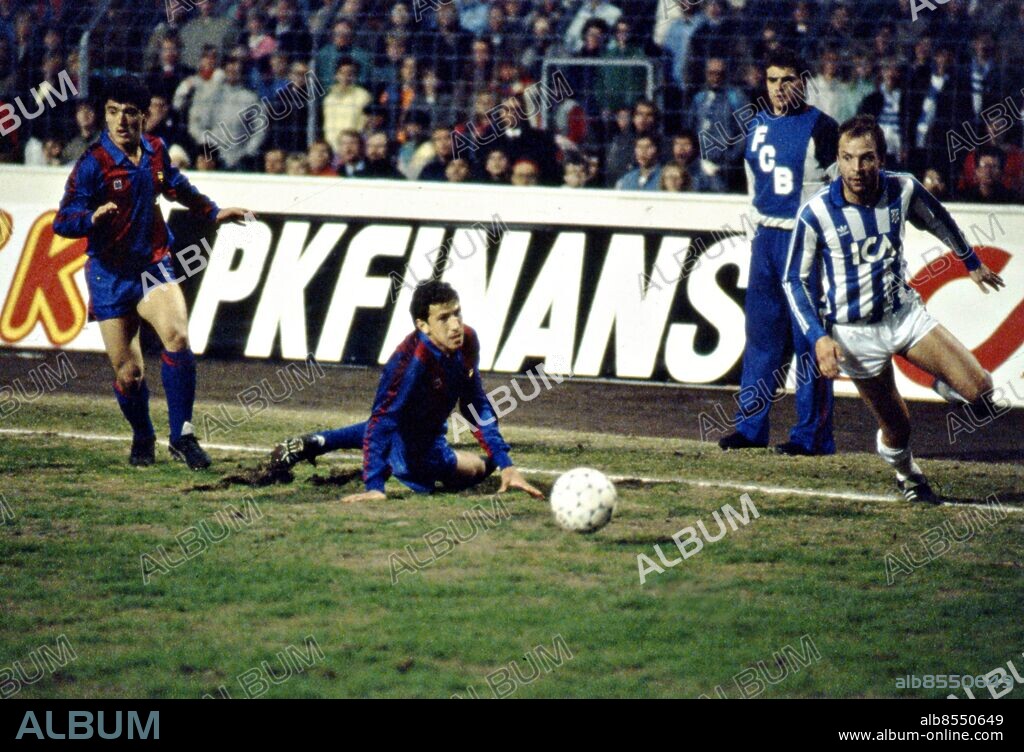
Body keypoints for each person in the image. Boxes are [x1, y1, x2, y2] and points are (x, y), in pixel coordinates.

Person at [784, 115, 1005, 503]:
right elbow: (794, 280)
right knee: (898, 427)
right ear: (837, 159)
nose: (856, 168)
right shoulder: (816, 213)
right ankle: (908, 475)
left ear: (881, 159)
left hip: (903, 316)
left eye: (866, 157)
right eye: (847, 158)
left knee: (981, 392)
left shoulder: (902, 189)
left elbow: (938, 219)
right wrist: (818, 337)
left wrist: (969, 261)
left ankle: (946, 382)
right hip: (853, 335)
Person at [53, 75, 252, 469]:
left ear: (144, 117)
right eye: (113, 112)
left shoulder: (155, 150)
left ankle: (182, 436)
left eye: (129, 113)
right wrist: (90, 218)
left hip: (153, 265)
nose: (120, 121)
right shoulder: (92, 164)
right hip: (110, 276)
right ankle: (143, 434)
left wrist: (212, 211)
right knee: (129, 375)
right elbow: (63, 220)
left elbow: (176, 185)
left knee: (177, 336)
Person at [268, 281, 544, 504]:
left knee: (486, 462)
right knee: (474, 471)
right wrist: (375, 486)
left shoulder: (468, 340)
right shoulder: (409, 362)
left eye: (457, 313)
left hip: (427, 432)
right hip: (416, 449)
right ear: (423, 326)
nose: (455, 325)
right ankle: (384, 462)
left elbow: (475, 404)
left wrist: (506, 464)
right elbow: (382, 421)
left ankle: (319, 442)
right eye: (444, 318)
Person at [718, 48, 838, 456]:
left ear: (802, 81)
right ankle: (750, 428)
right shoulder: (756, 124)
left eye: (788, 79)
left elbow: (839, 188)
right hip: (765, 240)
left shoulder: (823, 128)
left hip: (803, 241)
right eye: (772, 80)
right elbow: (754, 182)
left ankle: (812, 436)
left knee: (809, 341)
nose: (779, 88)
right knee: (761, 337)